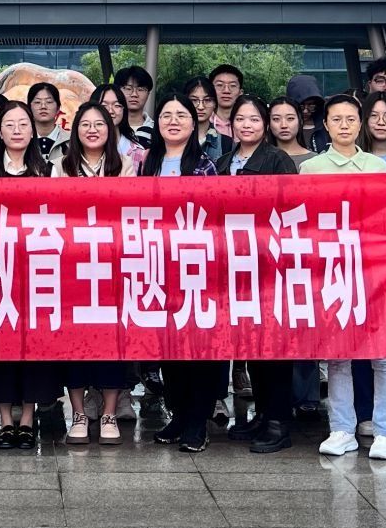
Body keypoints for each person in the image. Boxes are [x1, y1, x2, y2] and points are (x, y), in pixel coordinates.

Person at [303, 94, 386, 461]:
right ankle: (341, 428)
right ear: (325, 125)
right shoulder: (311, 168)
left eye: (350, 119)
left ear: (360, 124)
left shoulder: (376, 165)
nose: (344, 125)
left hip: (375, 270)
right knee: (337, 355)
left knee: (383, 354)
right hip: (331, 267)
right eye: (336, 119)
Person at [222, 96, 306, 454]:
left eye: (255, 119)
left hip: (270, 264)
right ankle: (262, 413)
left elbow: (290, 209)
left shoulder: (277, 159)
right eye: (241, 119)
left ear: (265, 125)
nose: (247, 125)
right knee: (250, 344)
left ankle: (278, 422)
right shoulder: (224, 162)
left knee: (274, 345)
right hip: (234, 263)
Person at [0, 99, 59, 446]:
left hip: (36, 268)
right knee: (0, 344)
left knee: (34, 344)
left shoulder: (49, 170)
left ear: (32, 130)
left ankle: (27, 415)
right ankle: (5, 417)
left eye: (23, 124)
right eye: (9, 124)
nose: (16, 130)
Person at [140, 96, 220, 452]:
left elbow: (215, 216)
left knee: (199, 346)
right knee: (169, 346)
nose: (173, 121)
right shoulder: (147, 163)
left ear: (194, 121)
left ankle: (197, 421)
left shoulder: (205, 165)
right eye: (166, 115)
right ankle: (179, 414)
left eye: (181, 115)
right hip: (158, 266)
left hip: (196, 267)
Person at [53, 102, 133, 443]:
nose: (92, 130)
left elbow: (127, 208)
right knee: (74, 341)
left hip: (112, 264)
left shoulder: (124, 164)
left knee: (111, 341)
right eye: (85, 124)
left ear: (109, 129)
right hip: (73, 265)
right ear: (75, 130)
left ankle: (109, 412)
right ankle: (79, 413)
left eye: (99, 124)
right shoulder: (61, 166)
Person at [113, 64, 156, 151]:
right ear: (117, 91)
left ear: (148, 94)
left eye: (140, 89)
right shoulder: (109, 128)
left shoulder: (157, 130)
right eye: (128, 88)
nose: (134, 94)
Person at [184, 77, 224, 163]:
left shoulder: (226, 143)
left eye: (207, 100)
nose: (201, 107)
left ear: (215, 104)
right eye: (194, 100)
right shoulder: (174, 139)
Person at [285, 74, 329, 153]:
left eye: (311, 106)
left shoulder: (326, 126)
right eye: (301, 106)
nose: (305, 111)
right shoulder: (282, 127)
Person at [26, 80, 68, 160]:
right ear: (29, 108)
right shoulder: (21, 140)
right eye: (37, 102)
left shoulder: (72, 141)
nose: (43, 106)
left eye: (49, 102)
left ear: (58, 108)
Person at [269, 98, 315, 168]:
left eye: (290, 118)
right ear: (268, 123)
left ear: (300, 121)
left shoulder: (315, 160)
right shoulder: (260, 159)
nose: (284, 125)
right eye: (276, 119)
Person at [208, 64, 245, 138]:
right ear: (209, 90)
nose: (226, 91)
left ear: (240, 93)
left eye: (232, 86)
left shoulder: (248, 125)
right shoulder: (203, 122)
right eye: (219, 85)